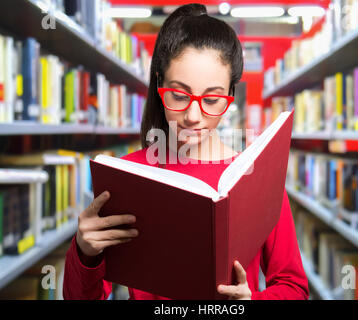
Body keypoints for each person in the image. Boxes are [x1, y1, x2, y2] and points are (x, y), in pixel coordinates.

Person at [63, 3, 309, 300]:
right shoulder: (127, 178)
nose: (193, 116)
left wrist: (249, 301)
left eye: (213, 99)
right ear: (158, 84)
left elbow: (293, 288)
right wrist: (85, 253)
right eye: (179, 95)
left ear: (231, 94)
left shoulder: (258, 177)